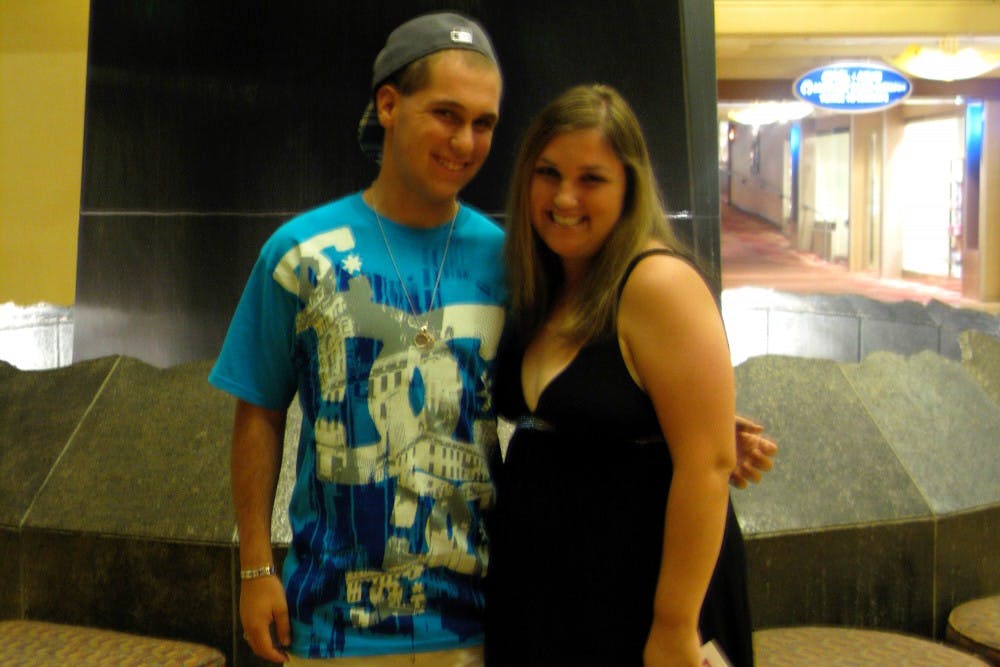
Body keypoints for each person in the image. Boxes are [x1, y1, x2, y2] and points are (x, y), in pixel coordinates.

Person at [210, 12, 773, 666]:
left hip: (485, 618)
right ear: (389, 105)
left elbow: (597, 379)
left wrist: (693, 423)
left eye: (484, 123)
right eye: (447, 114)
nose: (466, 140)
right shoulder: (300, 253)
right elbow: (257, 408)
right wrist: (255, 566)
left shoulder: (510, 261)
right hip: (335, 620)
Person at [484, 84, 755, 667]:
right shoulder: (546, 283)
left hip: (638, 594)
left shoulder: (657, 283)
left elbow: (706, 464)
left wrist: (675, 625)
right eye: (548, 172)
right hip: (549, 592)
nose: (564, 197)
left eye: (592, 179)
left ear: (629, 185)